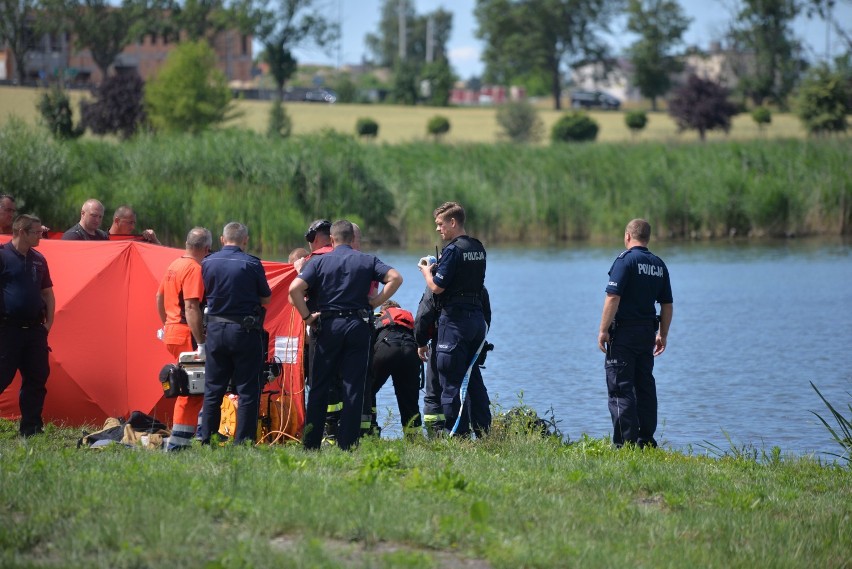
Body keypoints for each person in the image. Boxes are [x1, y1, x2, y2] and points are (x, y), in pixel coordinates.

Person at [289, 219, 402, 451]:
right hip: (357, 325)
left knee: (319, 386)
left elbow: (294, 290)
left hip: (327, 326)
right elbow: (395, 278)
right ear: (353, 239)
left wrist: (307, 317)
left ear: (332, 239)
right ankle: (348, 445)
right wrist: (377, 302)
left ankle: (311, 444)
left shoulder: (319, 261)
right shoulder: (367, 260)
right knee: (353, 387)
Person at [597, 218, 673, 449]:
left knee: (621, 388)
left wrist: (602, 330)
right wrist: (663, 335)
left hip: (624, 334)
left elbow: (613, 296)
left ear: (628, 236)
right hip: (646, 334)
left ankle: (625, 445)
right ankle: (646, 441)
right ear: (647, 238)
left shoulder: (625, 261)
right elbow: (667, 304)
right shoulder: (658, 264)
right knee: (644, 387)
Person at [198, 222, 271, 446]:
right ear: (245, 240)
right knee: (248, 389)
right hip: (244, 331)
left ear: (222, 239)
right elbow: (265, 298)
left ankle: (207, 439)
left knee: (213, 389)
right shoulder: (252, 264)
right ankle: (244, 442)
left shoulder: (207, 262)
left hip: (215, 331)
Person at [418, 201, 487, 436]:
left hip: (455, 324)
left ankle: (458, 437)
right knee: (474, 381)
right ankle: (484, 433)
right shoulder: (478, 247)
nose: (438, 229)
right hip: (477, 322)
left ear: (453, 222)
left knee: (450, 386)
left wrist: (428, 271)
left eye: (440, 224)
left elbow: (437, 288)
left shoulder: (453, 250)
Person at [156, 227, 211, 450]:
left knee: (187, 385)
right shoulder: (193, 269)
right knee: (192, 389)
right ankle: (179, 443)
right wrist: (202, 343)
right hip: (186, 333)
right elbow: (191, 306)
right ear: (206, 249)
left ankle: (193, 436)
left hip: (172, 331)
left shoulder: (174, 265)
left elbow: (159, 297)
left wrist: (166, 323)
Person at [0, 214, 55, 437]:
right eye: (36, 232)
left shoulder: (39, 259)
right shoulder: (3, 256)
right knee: (2, 376)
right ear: (21, 232)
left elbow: (47, 293)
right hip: (7, 330)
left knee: (37, 378)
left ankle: (31, 428)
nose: (40, 236)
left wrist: (48, 324)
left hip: (34, 330)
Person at [415, 285, 492, 438]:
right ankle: (484, 433)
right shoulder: (477, 286)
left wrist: (420, 342)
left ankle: (446, 434)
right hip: (473, 339)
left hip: (445, 341)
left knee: (437, 389)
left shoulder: (436, 286)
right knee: (473, 383)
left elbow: (423, 315)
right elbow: (486, 316)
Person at [369, 300, 421, 437]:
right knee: (409, 398)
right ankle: (414, 438)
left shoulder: (379, 317)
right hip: (410, 350)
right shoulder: (407, 317)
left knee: (367, 391)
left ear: (383, 310)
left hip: (387, 347)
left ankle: (369, 431)